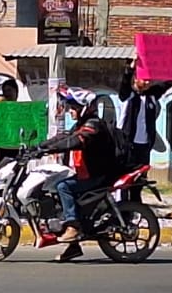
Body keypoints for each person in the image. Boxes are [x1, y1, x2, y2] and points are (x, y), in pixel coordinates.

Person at [32, 88, 120, 263]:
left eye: (73, 107)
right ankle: (73, 247)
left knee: (63, 187)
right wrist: (39, 147)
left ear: (84, 107)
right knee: (56, 187)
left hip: (98, 174)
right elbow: (64, 136)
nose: (70, 110)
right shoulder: (81, 123)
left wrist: (50, 149)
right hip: (86, 172)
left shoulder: (93, 125)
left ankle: (72, 226)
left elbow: (76, 141)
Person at [117, 62, 172, 200]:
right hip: (128, 146)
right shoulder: (128, 95)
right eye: (144, 79)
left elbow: (167, 84)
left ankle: (136, 206)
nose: (148, 82)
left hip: (144, 146)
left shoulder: (152, 96)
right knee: (125, 180)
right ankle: (124, 209)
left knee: (139, 180)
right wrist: (130, 68)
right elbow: (124, 84)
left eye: (149, 79)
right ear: (136, 79)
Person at [0, 78, 23, 170]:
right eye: (5, 91)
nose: (7, 93)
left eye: (9, 90)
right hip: (2, 146)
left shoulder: (20, 109)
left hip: (15, 146)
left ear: (16, 92)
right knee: (0, 171)